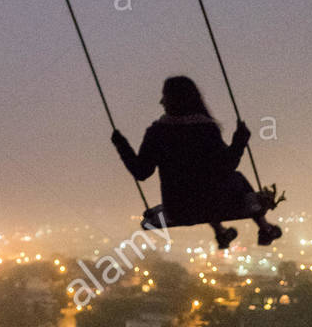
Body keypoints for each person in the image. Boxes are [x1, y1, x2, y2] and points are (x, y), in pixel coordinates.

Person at [111, 75, 282, 251]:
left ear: (175, 100)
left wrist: (121, 145)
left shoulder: (158, 133)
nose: (161, 101)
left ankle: (221, 231)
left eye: (165, 96)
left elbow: (141, 172)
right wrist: (239, 142)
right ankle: (263, 226)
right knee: (228, 179)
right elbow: (226, 166)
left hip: (178, 209)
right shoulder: (206, 129)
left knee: (198, 186)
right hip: (215, 204)